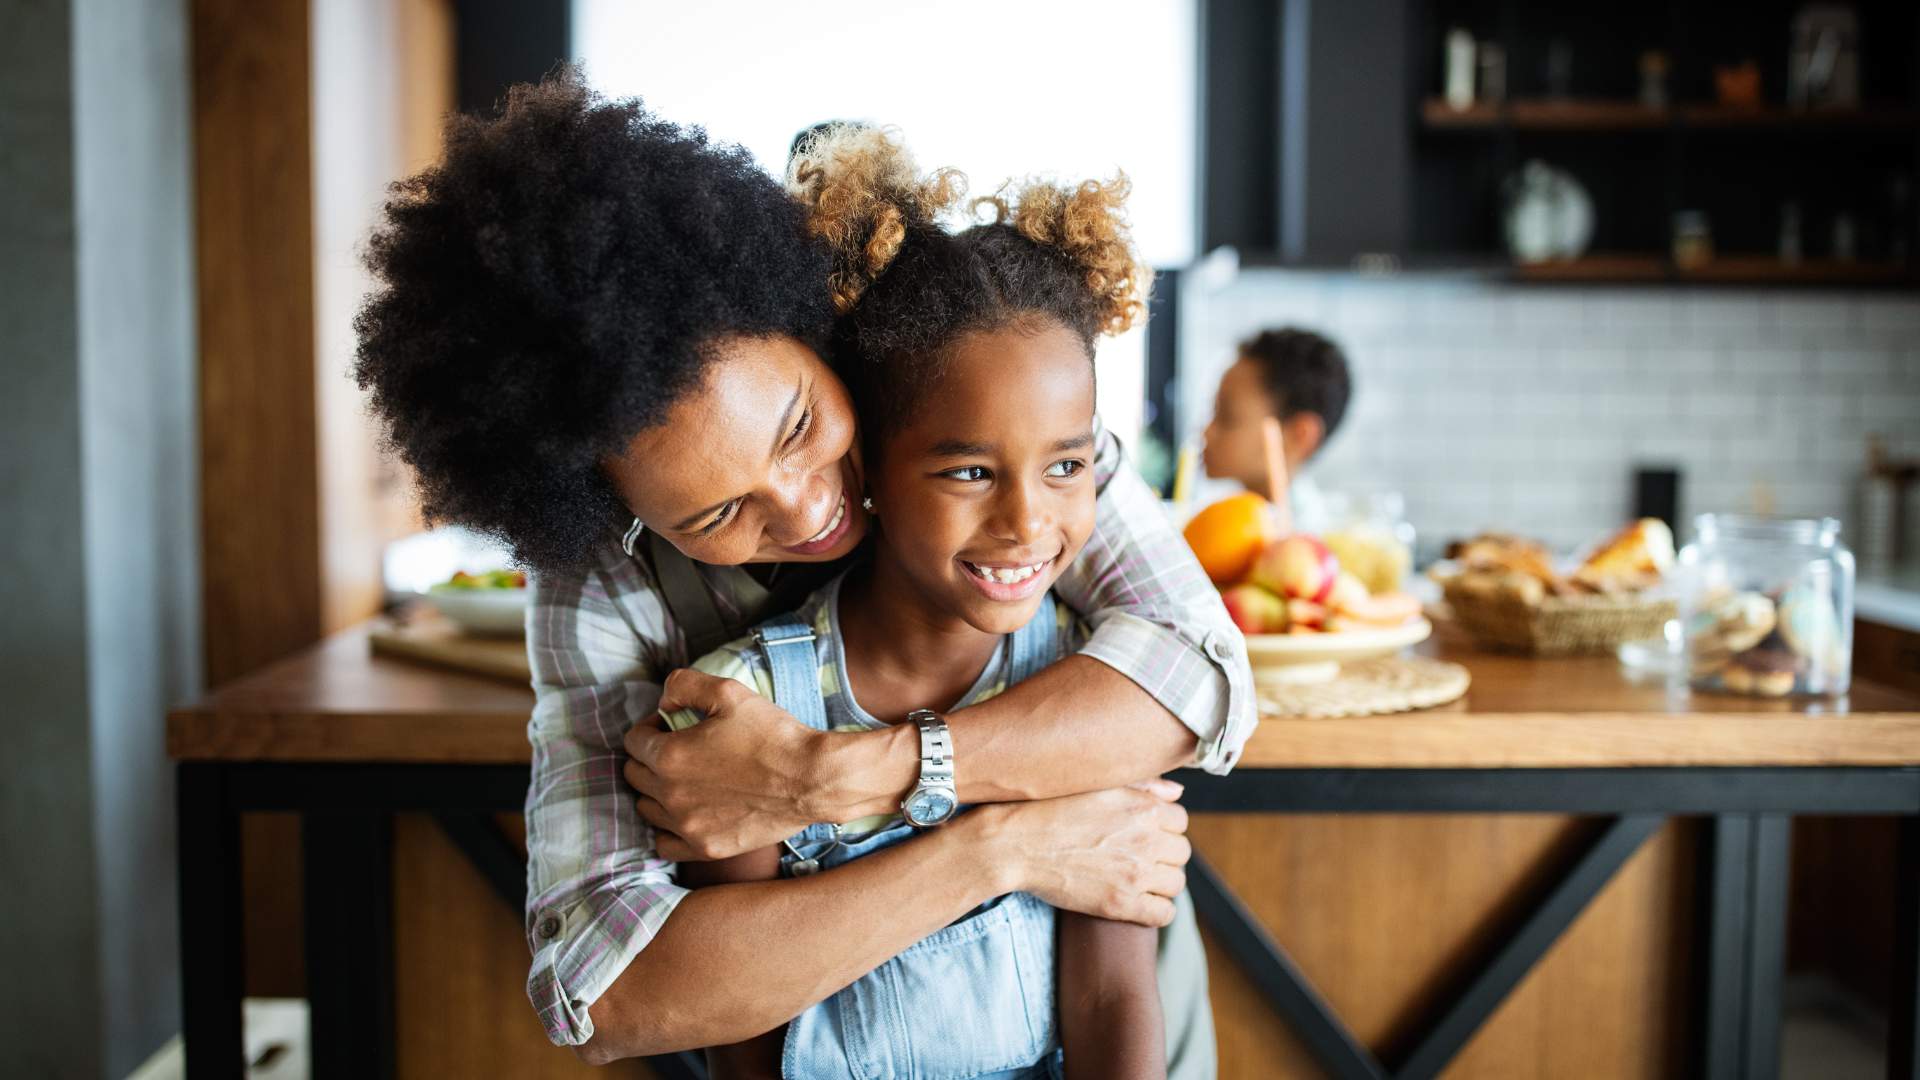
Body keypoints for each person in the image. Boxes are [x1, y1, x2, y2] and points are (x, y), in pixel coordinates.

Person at [352, 69, 1253, 1069]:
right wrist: (1001, 848)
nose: (807, 506)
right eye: (721, 511)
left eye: (799, 427)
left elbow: (1199, 674)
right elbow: (608, 990)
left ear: (815, 327)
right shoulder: (603, 585)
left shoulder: (980, 426)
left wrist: (833, 777)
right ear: (614, 511)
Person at [668, 128, 1164, 1080]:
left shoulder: (1086, 696)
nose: (1027, 521)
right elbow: (742, 1028)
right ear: (870, 476)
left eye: (1067, 465)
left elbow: (1112, 994)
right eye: (970, 470)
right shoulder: (745, 713)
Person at [1200, 328, 1351, 524]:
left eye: (1228, 418)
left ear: (1300, 435)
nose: (1206, 432)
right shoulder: (1220, 521)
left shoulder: (1303, 542)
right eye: (1214, 412)